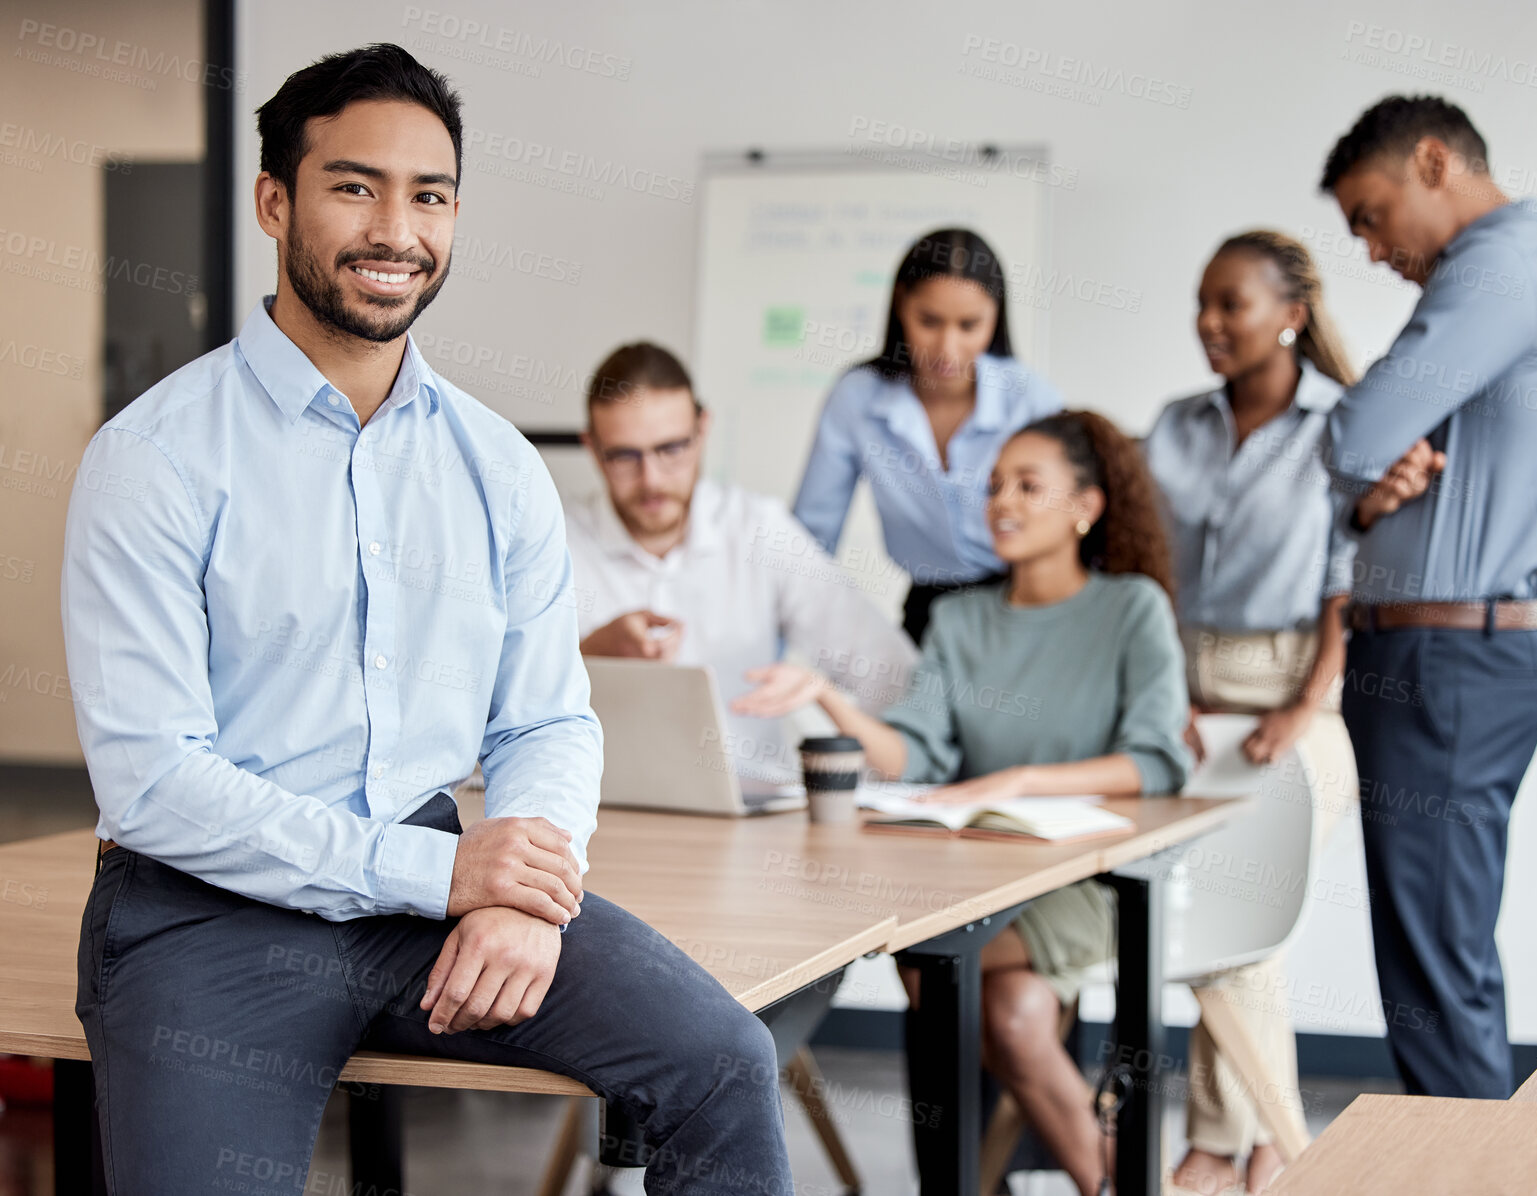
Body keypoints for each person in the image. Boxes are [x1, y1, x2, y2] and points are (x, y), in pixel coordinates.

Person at [60, 45, 789, 1194]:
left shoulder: (496, 465)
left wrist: (531, 898)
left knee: (723, 1067)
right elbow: (153, 780)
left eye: (429, 195)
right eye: (355, 186)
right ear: (274, 200)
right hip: (211, 915)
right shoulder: (152, 458)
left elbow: (546, 718)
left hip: (440, 891)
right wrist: (443, 876)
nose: (395, 227)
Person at [748, 410, 1192, 1196]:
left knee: (932, 965)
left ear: (1086, 506)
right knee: (1013, 1013)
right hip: (978, 879)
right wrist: (826, 696)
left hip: (1086, 877)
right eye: (994, 486)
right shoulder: (960, 618)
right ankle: (1118, 1180)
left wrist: (1018, 782)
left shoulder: (1131, 610)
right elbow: (916, 754)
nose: (1002, 502)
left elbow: (1155, 761)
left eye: (1028, 485)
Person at [1319, 95, 1537, 1099]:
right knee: (1437, 957)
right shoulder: (1513, 274)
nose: (1366, 246)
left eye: (1368, 212)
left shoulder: (1491, 270)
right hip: (1448, 657)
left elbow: (1351, 435)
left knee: (1434, 972)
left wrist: (1362, 448)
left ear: (1432, 162)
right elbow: (1381, 461)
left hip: (1446, 662)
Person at [1144, 230, 1362, 1195]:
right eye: (1202, 301)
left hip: (1296, 703)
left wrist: (1298, 709)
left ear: (1292, 316)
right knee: (1217, 920)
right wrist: (1160, 692)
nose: (1210, 323)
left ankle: (1219, 1146)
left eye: (1231, 303)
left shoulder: (1339, 429)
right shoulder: (1176, 425)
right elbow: (1143, 564)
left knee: (1238, 918)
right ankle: (1269, 1139)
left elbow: (1347, 594)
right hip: (1186, 698)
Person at [568, 340, 917, 779]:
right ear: (592, 447)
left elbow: (896, 677)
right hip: (598, 812)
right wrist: (589, 653)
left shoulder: (759, 530)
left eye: (671, 449)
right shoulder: (554, 542)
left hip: (751, 807)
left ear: (703, 428)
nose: (651, 479)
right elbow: (492, 704)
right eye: (624, 456)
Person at [792, 227, 1064, 642]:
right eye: (929, 321)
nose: (947, 349)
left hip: (1030, 606)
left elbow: (1067, 522)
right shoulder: (858, 398)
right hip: (928, 614)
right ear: (901, 304)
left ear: (997, 315)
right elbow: (810, 539)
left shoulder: (1029, 398)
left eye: (969, 325)